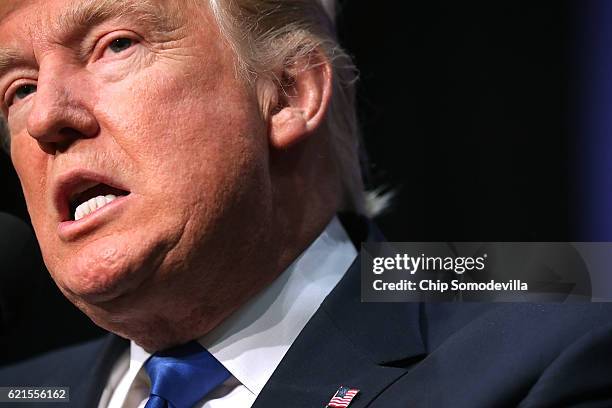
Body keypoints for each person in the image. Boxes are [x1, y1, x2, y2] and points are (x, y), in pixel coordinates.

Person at [0, 1, 611, 407]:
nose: (46, 117)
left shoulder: (547, 351)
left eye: (115, 46)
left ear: (289, 93)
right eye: (19, 88)